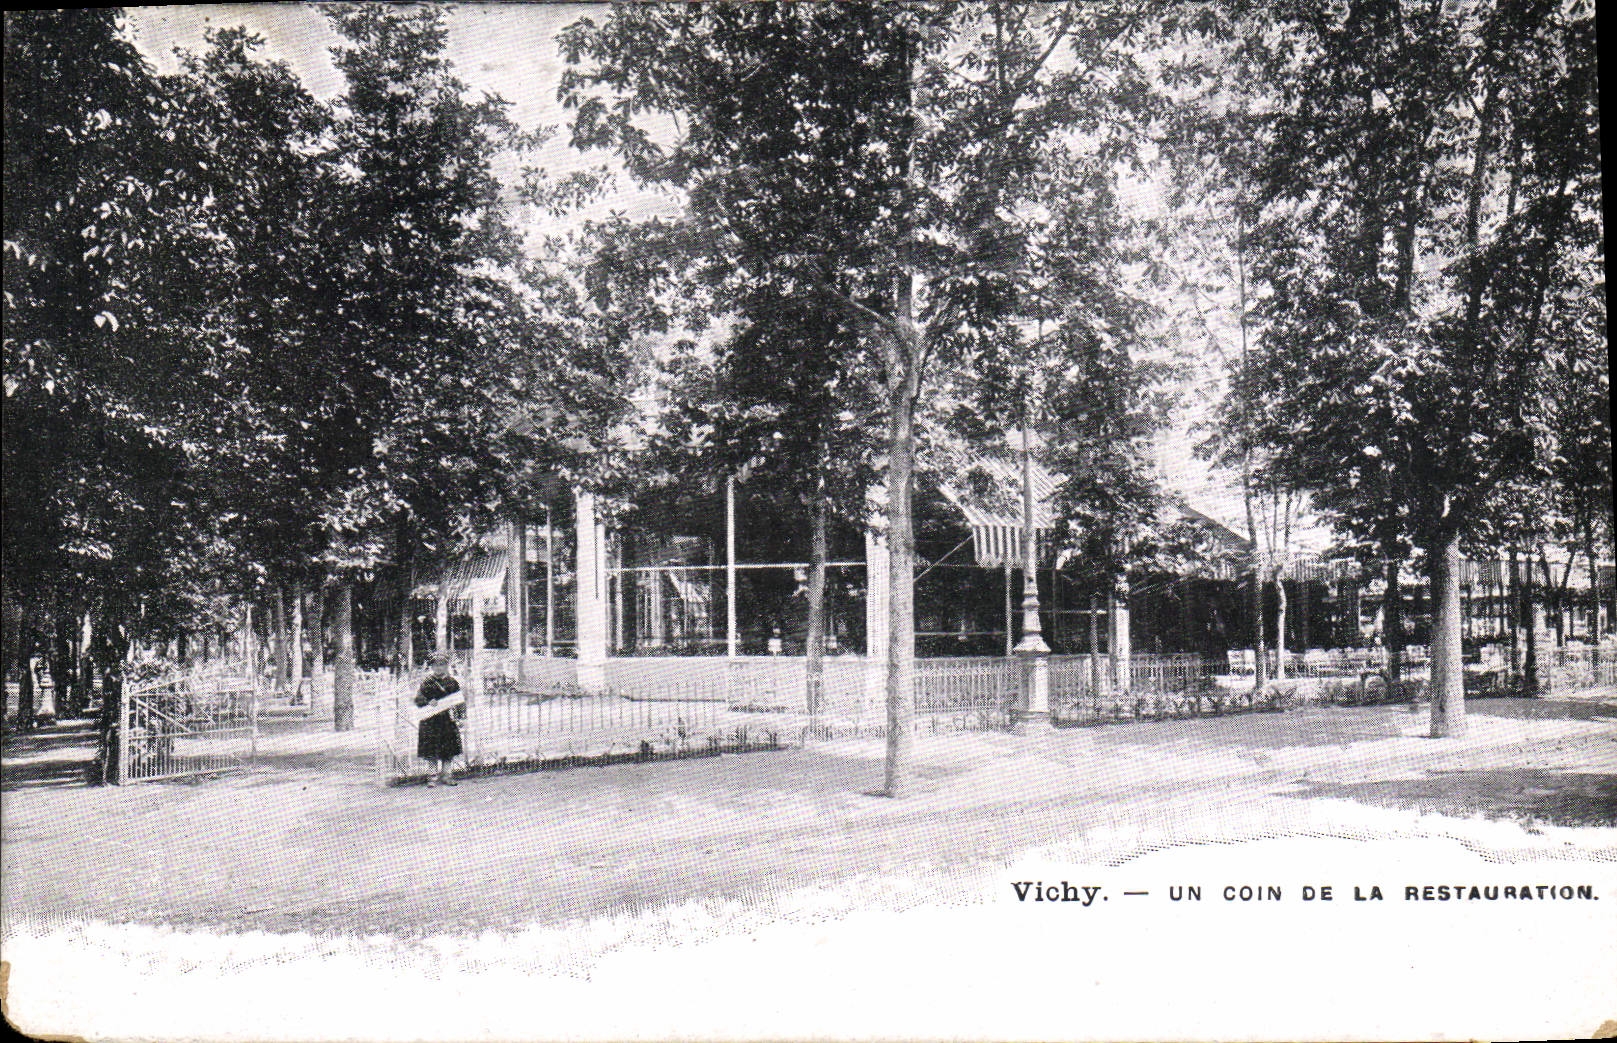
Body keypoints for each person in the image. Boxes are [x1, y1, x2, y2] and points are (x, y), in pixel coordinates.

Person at [415, 652, 463, 787]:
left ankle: (447, 775)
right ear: (432, 667)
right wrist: (428, 701)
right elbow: (418, 700)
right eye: (436, 665)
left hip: (447, 720)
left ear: (446, 666)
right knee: (431, 750)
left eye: (442, 665)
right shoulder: (427, 683)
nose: (439, 668)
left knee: (448, 749)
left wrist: (461, 716)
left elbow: (459, 701)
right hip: (430, 721)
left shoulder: (452, 683)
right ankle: (432, 777)